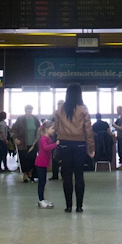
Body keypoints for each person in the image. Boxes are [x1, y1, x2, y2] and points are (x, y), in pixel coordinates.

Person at [53, 83, 95, 213]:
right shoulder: (84, 109)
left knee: (67, 176)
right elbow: (88, 130)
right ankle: (79, 206)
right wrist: (91, 147)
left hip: (64, 145)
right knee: (79, 175)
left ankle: (68, 206)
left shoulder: (60, 109)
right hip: (80, 145)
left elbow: (55, 128)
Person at [33, 120, 59, 208]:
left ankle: (42, 199)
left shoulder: (48, 138)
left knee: (43, 182)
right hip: (40, 163)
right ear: (46, 129)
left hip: (44, 163)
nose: (53, 130)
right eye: (52, 128)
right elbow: (45, 147)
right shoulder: (43, 138)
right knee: (41, 182)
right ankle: (40, 200)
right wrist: (55, 144)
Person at [12, 104, 41, 183]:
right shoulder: (20, 119)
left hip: (33, 144)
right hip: (23, 143)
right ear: (25, 111)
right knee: (24, 159)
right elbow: (14, 129)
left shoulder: (35, 119)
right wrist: (15, 138)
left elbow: (39, 129)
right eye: (28, 111)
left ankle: (30, 173)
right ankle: (25, 174)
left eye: (31, 111)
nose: (29, 112)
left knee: (32, 159)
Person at [49, 99, 64, 180]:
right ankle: (55, 175)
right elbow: (48, 121)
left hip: (65, 137)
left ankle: (64, 174)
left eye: (61, 104)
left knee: (64, 157)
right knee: (54, 156)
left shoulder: (66, 113)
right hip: (55, 137)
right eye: (58, 104)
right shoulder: (55, 113)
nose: (60, 105)